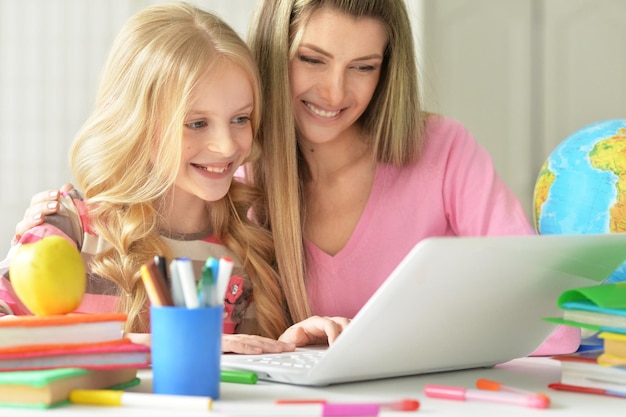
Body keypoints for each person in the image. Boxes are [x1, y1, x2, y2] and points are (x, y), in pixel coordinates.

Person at [12, 0, 577, 354]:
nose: (335, 94)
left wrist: (289, 343)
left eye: (364, 67)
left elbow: (245, 350)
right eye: (313, 59)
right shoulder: (228, 188)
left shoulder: (232, 235)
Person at [0, 2, 348, 354]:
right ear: (137, 124)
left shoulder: (245, 247)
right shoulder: (69, 228)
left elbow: (239, 366)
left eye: (240, 119)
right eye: (197, 123)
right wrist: (149, 345)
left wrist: (287, 347)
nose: (226, 145)